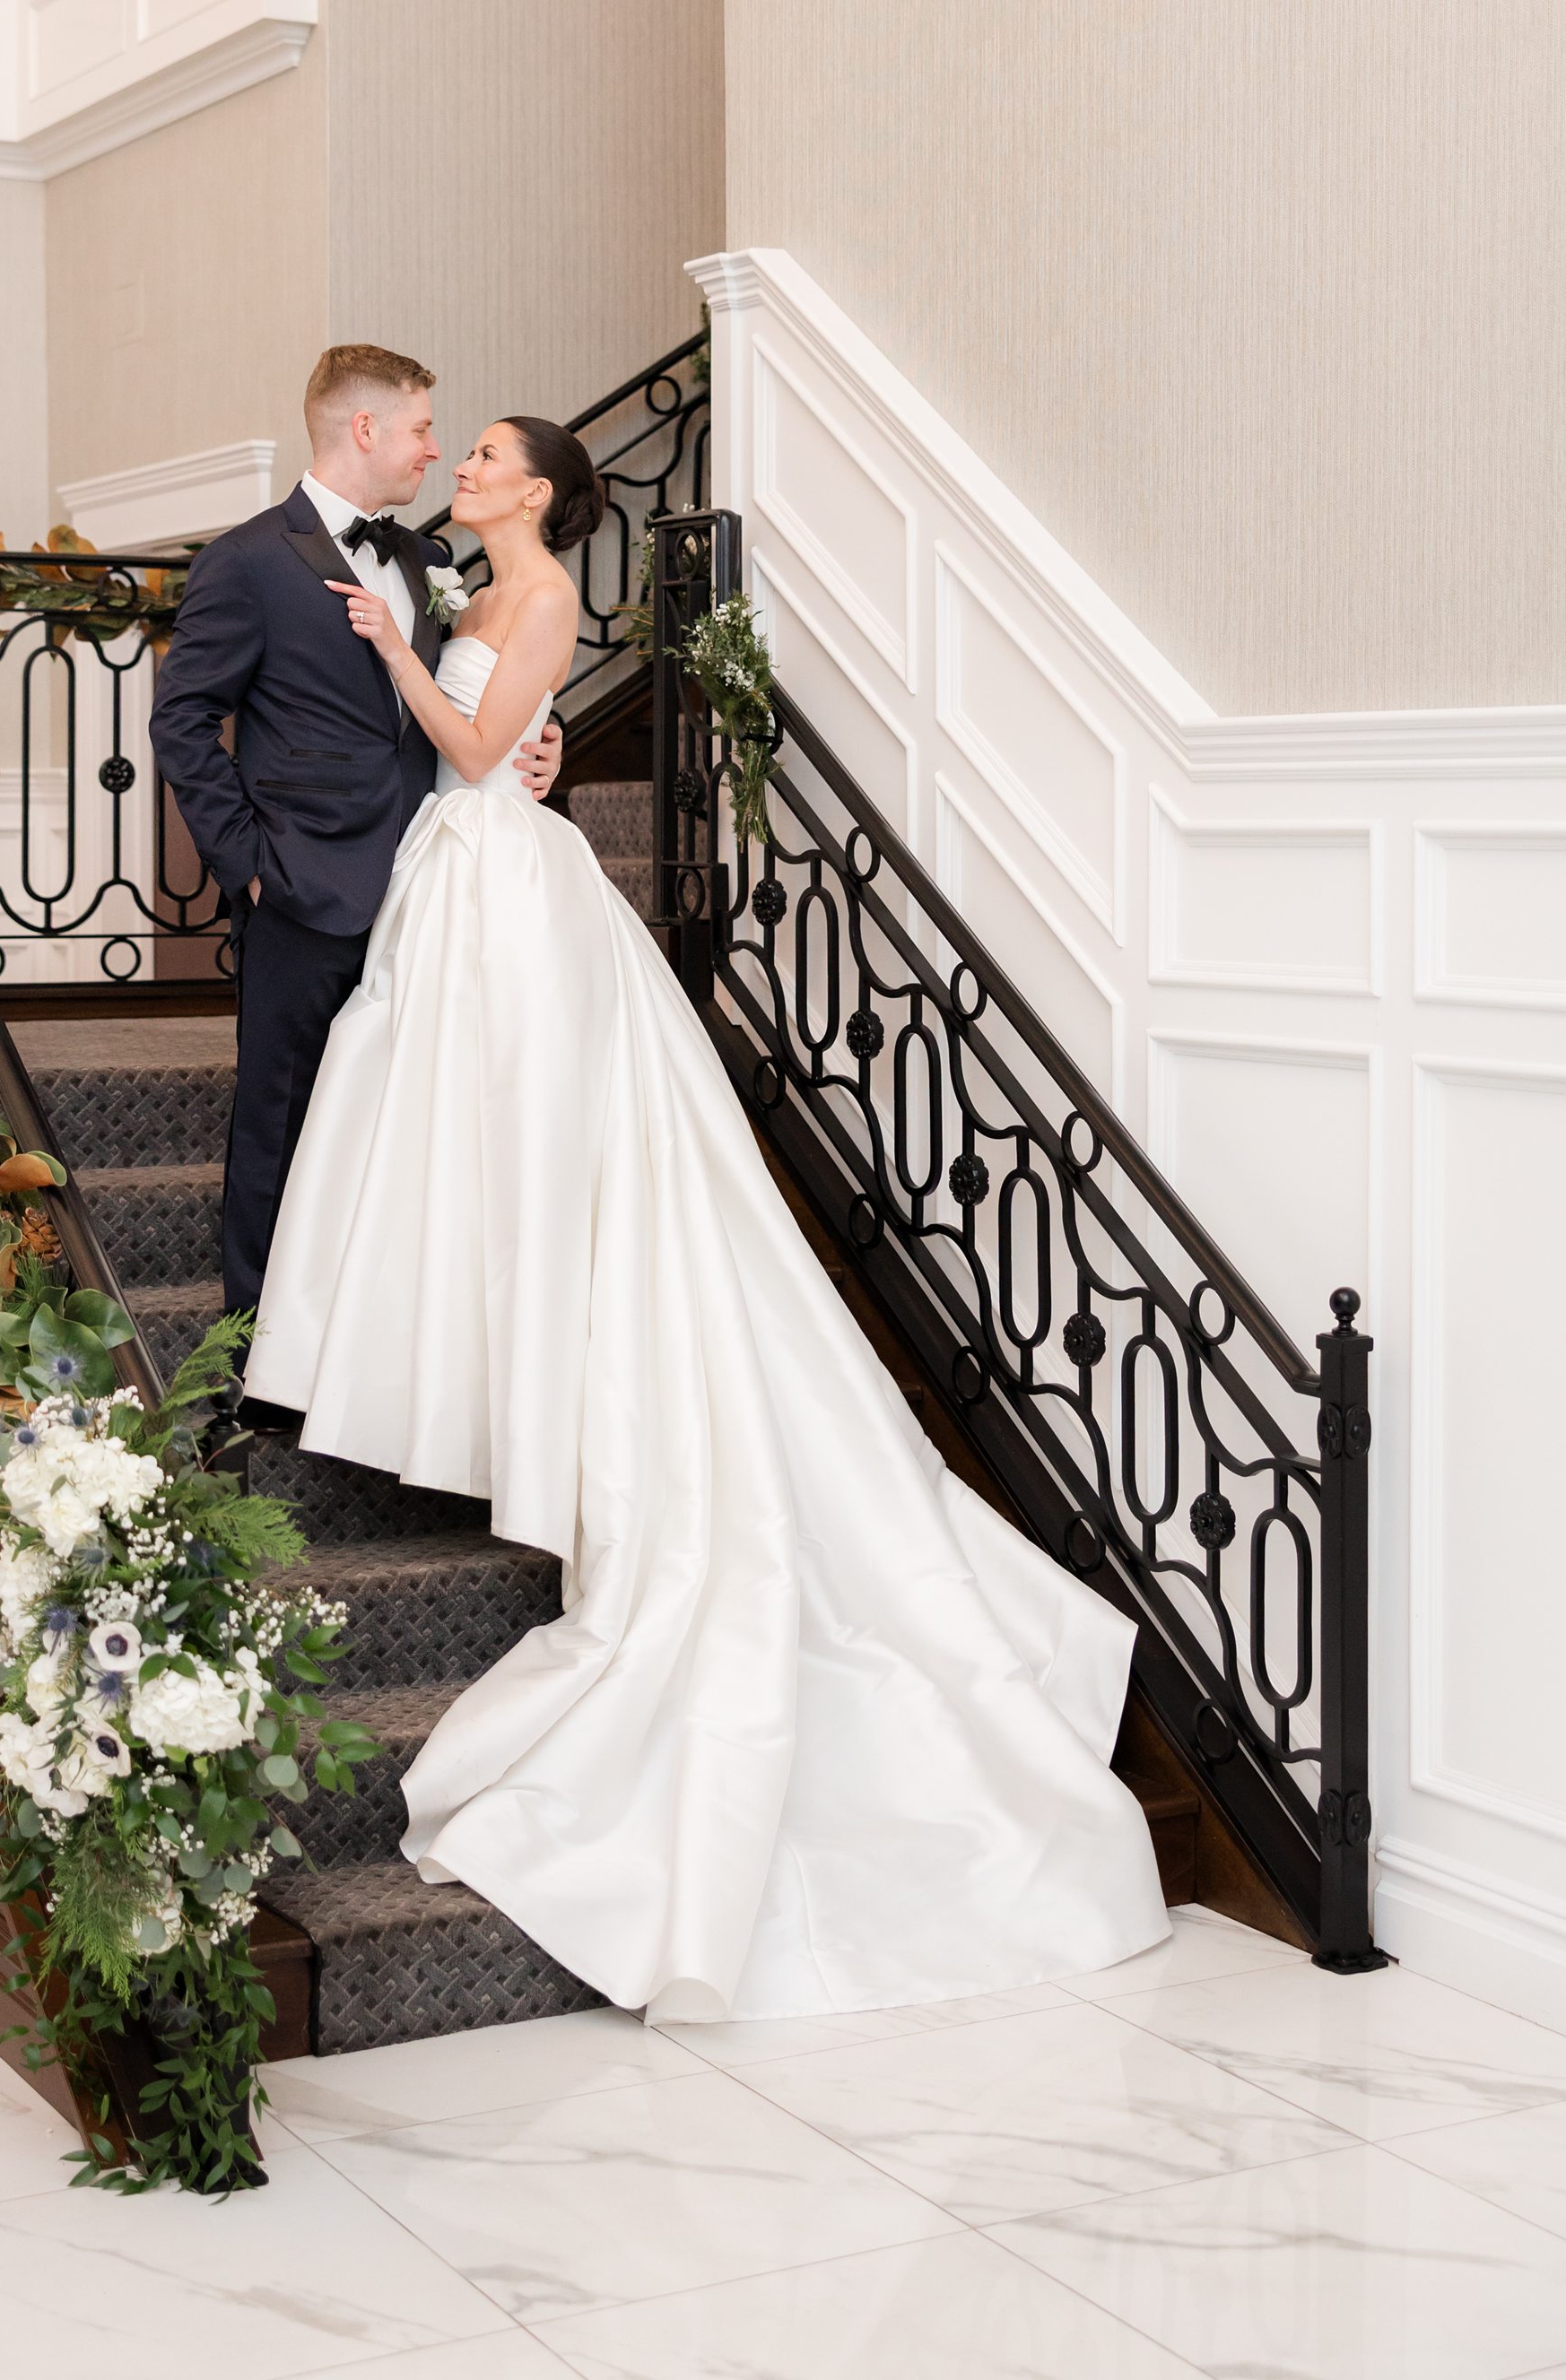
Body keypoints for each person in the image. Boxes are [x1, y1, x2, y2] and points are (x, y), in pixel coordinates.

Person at [245, 413, 1171, 2024]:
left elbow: (474, 756)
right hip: (458, 885)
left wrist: (407, 655)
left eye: (481, 457)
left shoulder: (529, 601)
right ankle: (489, 1381)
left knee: (536, 1168)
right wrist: (458, 689)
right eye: (453, 453)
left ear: (536, 490)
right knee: (463, 1162)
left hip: (502, 889)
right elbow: (494, 749)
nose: (460, 467)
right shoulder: (486, 592)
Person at [149, 344, 561, 1331]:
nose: (435, 452)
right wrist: (249, 866)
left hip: (432, 889)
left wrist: (550, 742)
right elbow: (181, 723)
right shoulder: (246, 559)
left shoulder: (431, 561)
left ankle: (364, 1347)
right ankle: (255, 1357)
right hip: (301, 890)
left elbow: (479, 693)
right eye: (423, 429)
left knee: (392, 1131)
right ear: (365, 429)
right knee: (280, 1124)